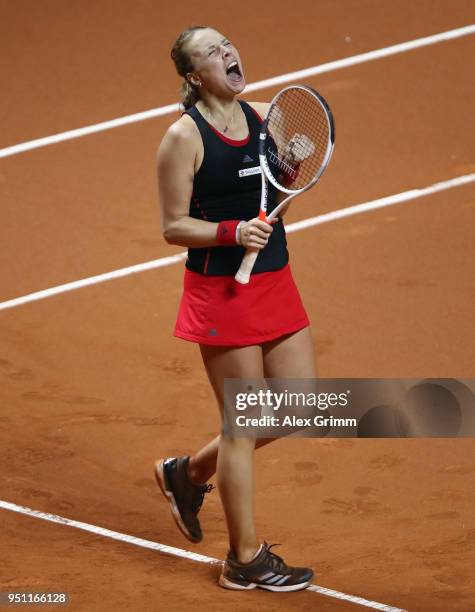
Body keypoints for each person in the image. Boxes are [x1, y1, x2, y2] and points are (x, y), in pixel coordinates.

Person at [155, 25, 316, 592]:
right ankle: (243, 559)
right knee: (243, 425)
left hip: (274, 278)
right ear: (194, 76)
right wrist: (230, 232)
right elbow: (174, 225)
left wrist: (290, 170)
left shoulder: (266, 115)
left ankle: (189, 473)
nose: (227, 53)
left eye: (227, 45)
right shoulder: (183, 137)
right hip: (221, 293)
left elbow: (273, 196)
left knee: (299, 408)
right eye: (210, 52)